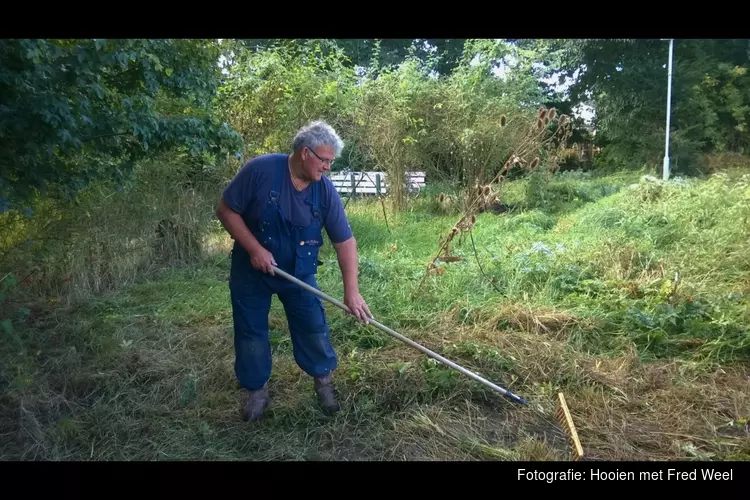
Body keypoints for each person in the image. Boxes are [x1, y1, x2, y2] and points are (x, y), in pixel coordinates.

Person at [216, 120, 372, 421]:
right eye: (324, 160)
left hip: (299, 275)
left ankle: (323, 383)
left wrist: (351, 292)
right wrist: (254, 248)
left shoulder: (324, 191)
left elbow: (345, 242)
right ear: (305, 153)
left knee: (313, 325)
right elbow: (226, 210)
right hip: (252, 273)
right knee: (250, 332)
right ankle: (256, 392)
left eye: (331, 162)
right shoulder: (260, 171)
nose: (328, 167)